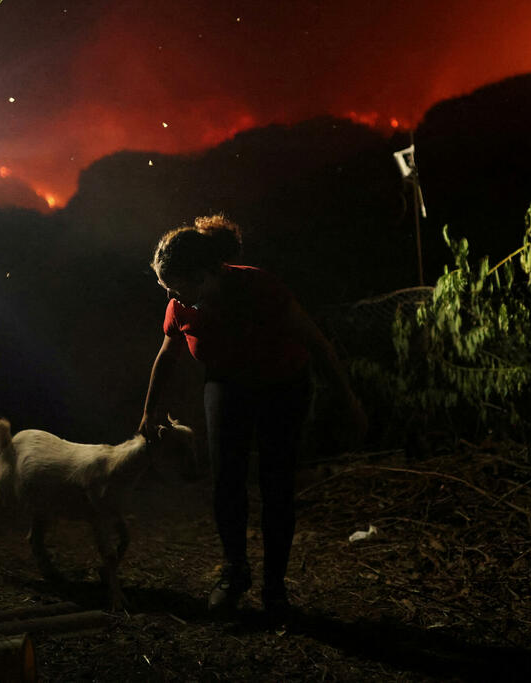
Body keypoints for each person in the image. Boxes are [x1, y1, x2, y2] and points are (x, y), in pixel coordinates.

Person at [138, 214, 367, 622]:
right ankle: (234, 571)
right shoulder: (182, 306)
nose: (173, 298)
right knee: (227, 479)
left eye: (178, 288)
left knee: (276, 484)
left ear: (207, 274)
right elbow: (166, 356)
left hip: (283, 385)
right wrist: (149, 410)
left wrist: (347, 399)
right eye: (166, 289)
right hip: (227, 382)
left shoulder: (259, 288)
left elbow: (315, 341)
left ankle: (274, 586)